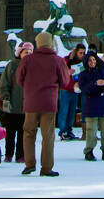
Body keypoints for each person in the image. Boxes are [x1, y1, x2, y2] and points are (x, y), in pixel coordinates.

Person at [16, 31, 74, 177]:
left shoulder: (27, 60)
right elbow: (65, 82)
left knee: (29, 133)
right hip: (49, 103)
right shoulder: (58, 60)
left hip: (31, 102)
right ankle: (46, 168)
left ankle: (29, 164)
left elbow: (19, 79)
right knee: (48, 136)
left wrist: (29, 87)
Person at [77, 51, 104, 161]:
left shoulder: (101, 71)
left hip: (103, 104)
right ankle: (89, 151)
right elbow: (84, 89)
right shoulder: (83, 75)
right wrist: (95, 84)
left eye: (94, 60)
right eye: (90, 60)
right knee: (91, 130)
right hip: (91, 105)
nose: (92, 62)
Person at [0, 42, 31, 162]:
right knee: (10, 132)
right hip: (11, 104)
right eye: (26, 52)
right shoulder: (12, 66)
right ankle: (9, 154)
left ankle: (21, 155)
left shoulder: (33, 67)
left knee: (23, 133)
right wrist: (5, 98)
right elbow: (4, 84)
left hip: (26, 106)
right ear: (20, 53)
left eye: (30, 53)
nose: (28, 54)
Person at [58, 42, 86, 140]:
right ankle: (62, 131)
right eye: (80, 53)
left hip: (75, 90)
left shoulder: (83, 63)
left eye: (83, 53)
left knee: (71, 112)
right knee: (64, 111)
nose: (82, 55)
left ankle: (69, 131)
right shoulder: (66, 60)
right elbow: (59, 72)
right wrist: (67, 72)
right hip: (65, 89)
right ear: (76, 52)